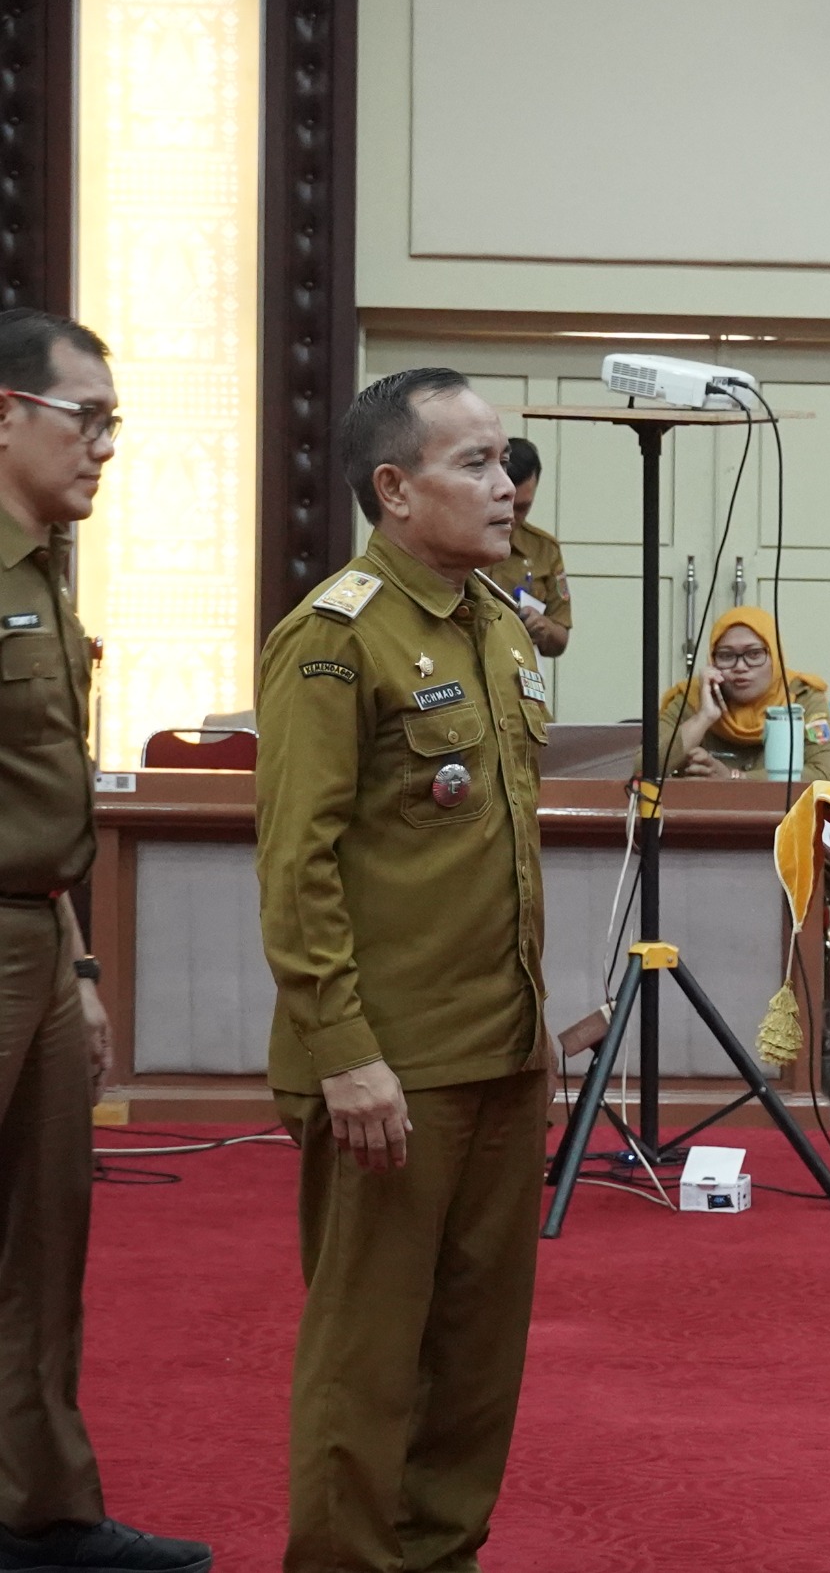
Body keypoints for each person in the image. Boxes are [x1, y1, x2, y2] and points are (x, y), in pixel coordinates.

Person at [255, 367, 552, 1573]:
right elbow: (297, 863)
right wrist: (345, 1053)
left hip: (501, 1047)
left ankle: (440, 1558)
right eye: (473, 463)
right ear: (393, 487)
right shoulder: (335, 638)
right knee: (369, 1359)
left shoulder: (499, 622)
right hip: (390, 1062)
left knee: (476, 1360)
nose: (506, 483)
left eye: (504, 459)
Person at [0, 310, 211, 1573]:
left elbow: (41, 793)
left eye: (113, 422)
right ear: (6, 411)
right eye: (88, 418)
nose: (107, 446)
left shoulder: (40, 570)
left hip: (33, 928)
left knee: (45, 1234)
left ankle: (38, 1511)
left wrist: (76, 965)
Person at [656, 605, 830, 780]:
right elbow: (647, 768)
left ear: (775, 656)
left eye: (754, 654)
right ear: (712, 661)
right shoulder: (694, 697)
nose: (740, 667)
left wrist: (735, 778)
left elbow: (826, 774)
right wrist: (703, 718)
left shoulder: (802, 697)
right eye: (726, 655)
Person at [484, 438, 571, 657]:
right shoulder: (456, 540)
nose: (511, 516)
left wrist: (543, 627)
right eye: (505, 503)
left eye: (522, 507)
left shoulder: (543, 549)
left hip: (518, 668)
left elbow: (560, 640)